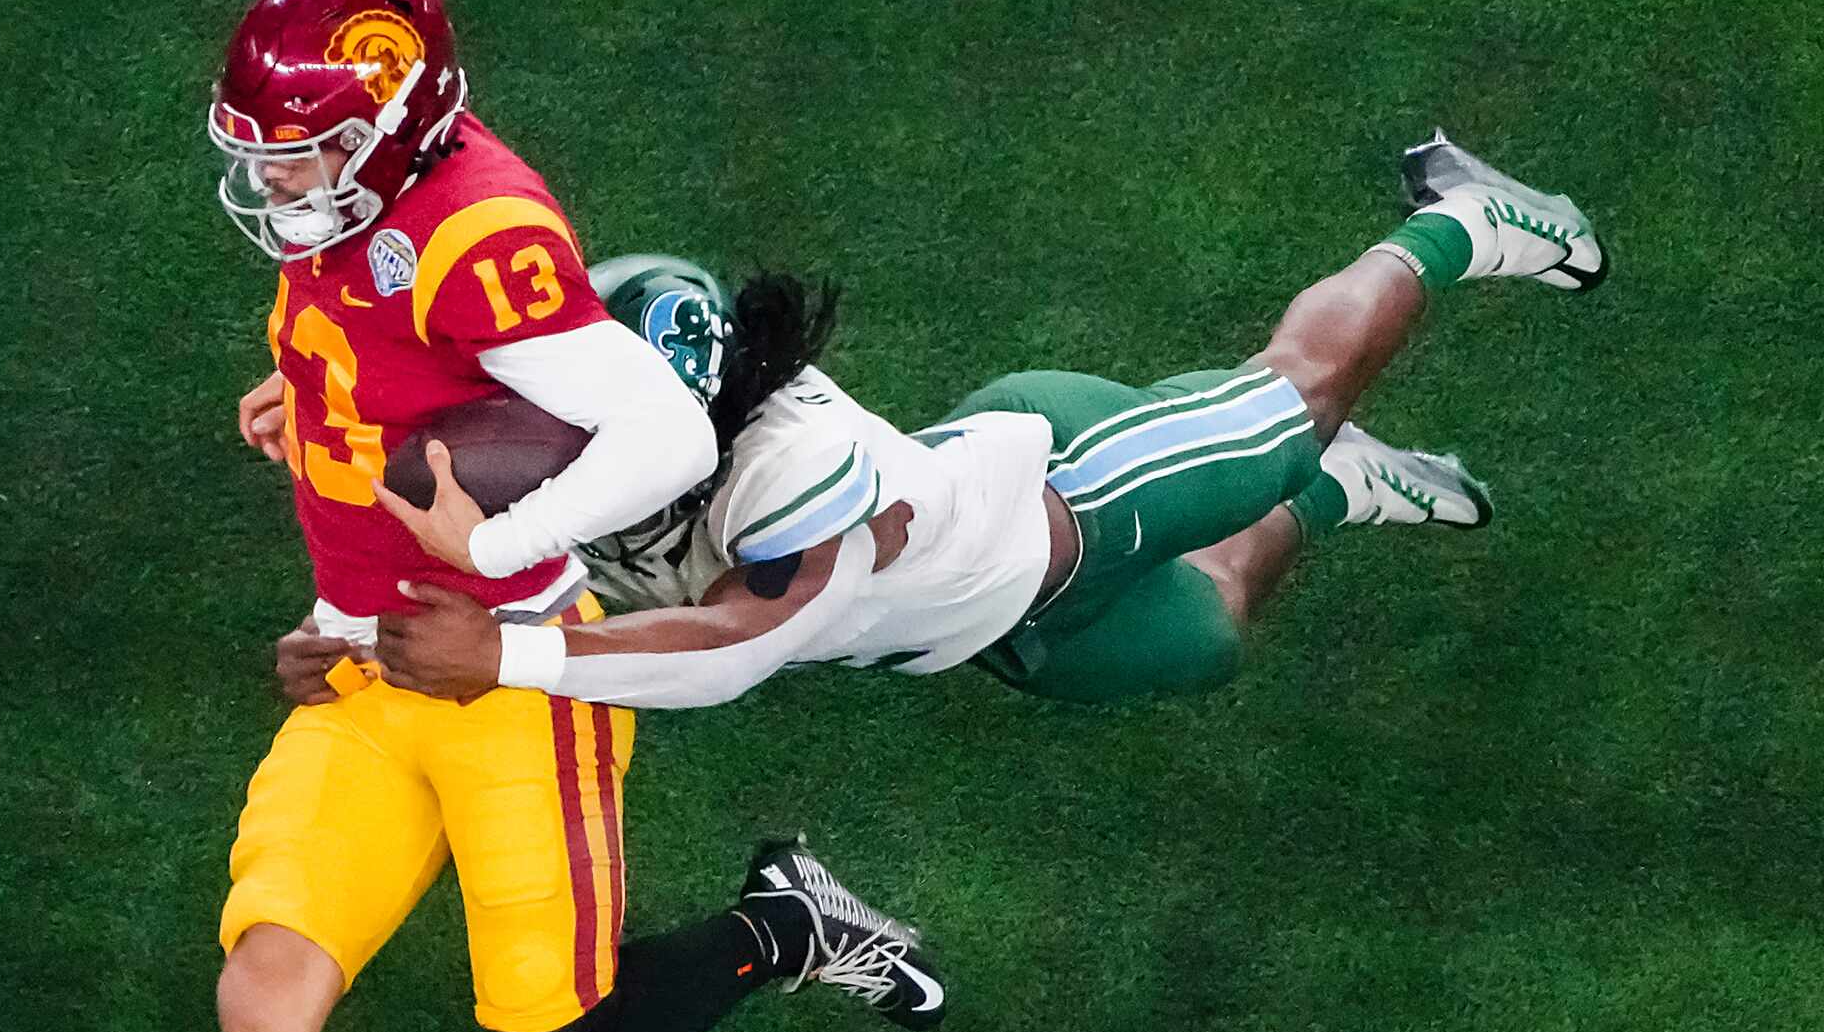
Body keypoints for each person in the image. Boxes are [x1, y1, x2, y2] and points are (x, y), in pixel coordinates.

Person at [106, 0, 947, 1032]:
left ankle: (782, 924)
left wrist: (490, 566)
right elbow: (388, 352)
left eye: (300, 148)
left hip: (502, 675)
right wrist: (307, 395)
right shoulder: (356, 216)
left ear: (392, 124)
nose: (275, 177)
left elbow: (663, 427)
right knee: (265, 989)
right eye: (265, 147)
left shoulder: (480, 234)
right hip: (362, 666)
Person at [363, 131, 1603, 712]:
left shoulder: (793, 466)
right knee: (1210, 634)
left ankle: (1465, 223)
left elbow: (733, 647)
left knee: (1295, 399)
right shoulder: (565, 434)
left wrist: (513, 659)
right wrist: (355, 638)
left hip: (1072, 491)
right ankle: (1338, 489)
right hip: (997, 621)